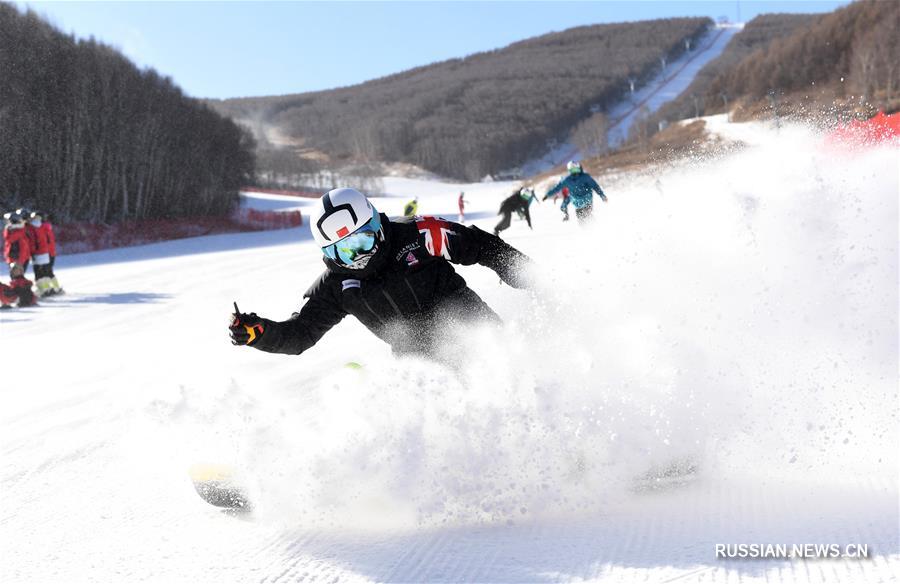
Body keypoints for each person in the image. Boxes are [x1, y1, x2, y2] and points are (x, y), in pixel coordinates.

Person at [229, 188, 532, 358]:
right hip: (420, 362)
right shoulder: (337, 286)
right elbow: (300, 334)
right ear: (329, 254)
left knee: (513, 373)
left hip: (476, 330)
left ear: (377, 223)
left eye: (364, 239)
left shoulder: (418, 234)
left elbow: (481, 246)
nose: (360, 255)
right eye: (345, 250)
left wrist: (531, 277)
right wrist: (261, 333)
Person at [543, 161, 607, 222]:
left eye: (576, 169)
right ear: (570, 171)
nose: (575, 172)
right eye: (572, 170)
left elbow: (595, 186)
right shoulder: (567, 180)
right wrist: (547, 195)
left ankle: (594, 228)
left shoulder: (585, 177)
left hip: (586, 201)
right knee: (582, 220)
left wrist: (602, 195)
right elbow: (557, 188)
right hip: (578, 203)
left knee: (588, 216)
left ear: (579, 168)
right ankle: (589, 230)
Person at [28, 210, 62, 296]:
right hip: (49, 252)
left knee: (41, 273)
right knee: (48, 272)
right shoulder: (46, 227)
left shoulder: (38, 228)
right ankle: (55, 287)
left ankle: (45, 289)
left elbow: (35, 241)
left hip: (43, 253)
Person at [3, 212, 31, 277]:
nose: (7, 223)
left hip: (19, 260)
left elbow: (23, 249)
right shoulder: (10, 231)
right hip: (13, 259)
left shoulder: (19, 233)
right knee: (14, 278)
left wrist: (20, 261)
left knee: (18, 278)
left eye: (8, 221)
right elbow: (8, 245)